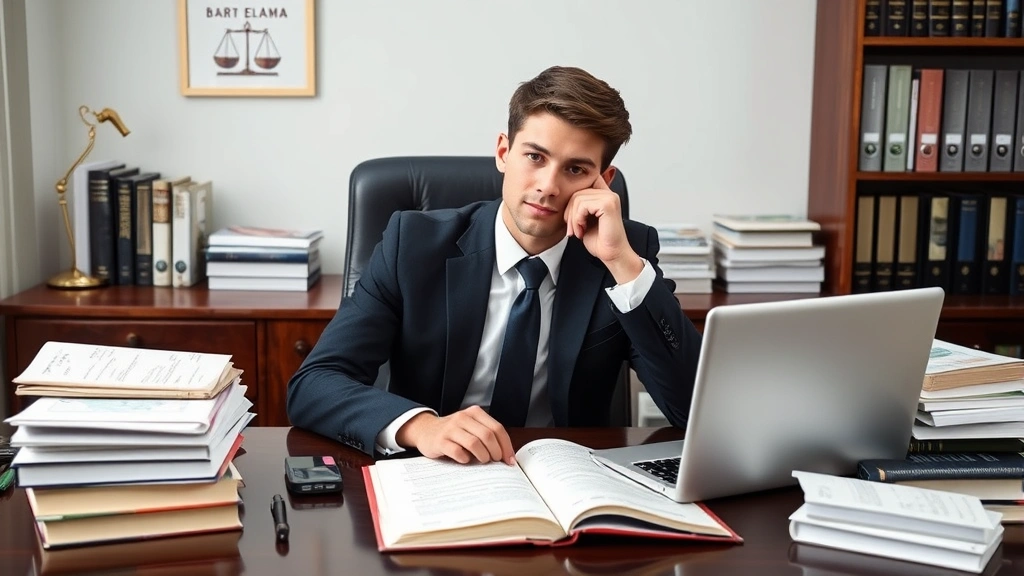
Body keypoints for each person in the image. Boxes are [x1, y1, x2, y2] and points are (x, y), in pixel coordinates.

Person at [287, 65, 702, 466]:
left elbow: (695, 411)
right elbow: (315, 385)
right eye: (535, 157)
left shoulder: (626, 254)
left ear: (603, 181)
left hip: (568, 484)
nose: (548, 186)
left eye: (575, 169)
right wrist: (423, 427)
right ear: (503, 152)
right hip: (434, 471)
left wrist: (622, 262)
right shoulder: (412, 244)